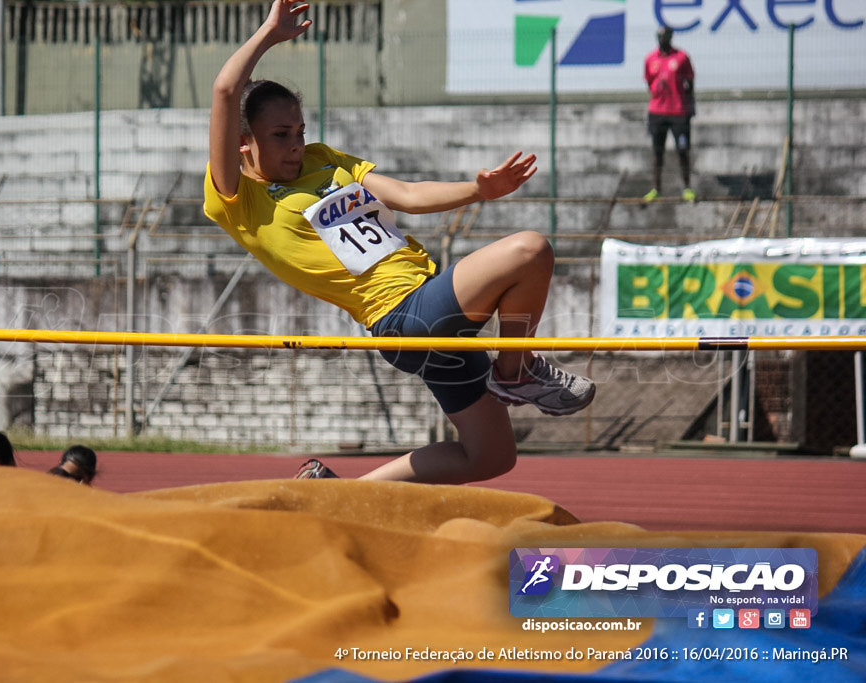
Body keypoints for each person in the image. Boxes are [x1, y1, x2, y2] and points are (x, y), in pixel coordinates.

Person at [203, 0, 595, 484]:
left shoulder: (326, 161)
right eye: (280, 135)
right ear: (243, 142)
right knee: (531, 250)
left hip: (431, 314)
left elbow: (407, 195)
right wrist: (268, 33)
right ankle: (515, 371)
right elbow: (225, 91)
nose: (296, 145)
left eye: (300, 132)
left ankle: (343, 494)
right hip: (404, 316)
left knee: (491, 457)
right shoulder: (238, 198)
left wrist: (479, 190)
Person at [643, 25, 696, 203]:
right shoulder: (650, 59)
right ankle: (656, 188)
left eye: (665, 37)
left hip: (679, 112)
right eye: (659, 37)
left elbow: (690, 82)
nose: (662, 40)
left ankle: (687, 188)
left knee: (682, 150)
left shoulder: (681, 57)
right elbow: (649, 82)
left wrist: (688, 106)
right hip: (657, 112)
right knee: (657, 151)